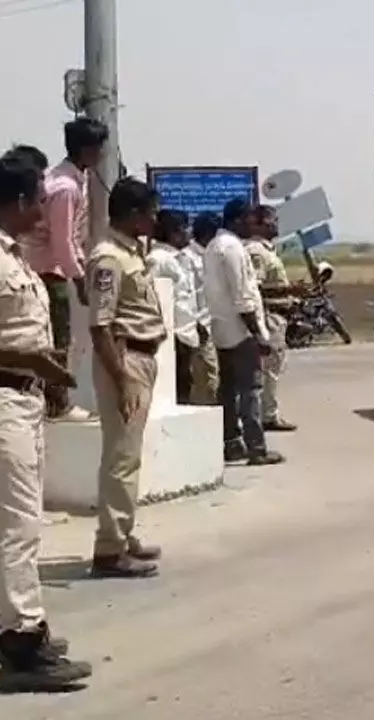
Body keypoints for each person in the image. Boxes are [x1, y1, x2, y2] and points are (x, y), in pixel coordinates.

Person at [0, 152, 92, 688]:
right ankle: (21, 645)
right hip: (6, 398)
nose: (42, 207)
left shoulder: (14, 256)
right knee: (16, 529)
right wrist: (27, 362)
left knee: (19, 522)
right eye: (36, 198)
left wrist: (43, 369)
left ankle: (16, 625)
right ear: (16, 202)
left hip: (24, 401)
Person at [85, 177, 166, 579]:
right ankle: (110, 549)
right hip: (125, 359)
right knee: (121, 456)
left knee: (128, 454)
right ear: (133, 214)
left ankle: (122, 531)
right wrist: (122, 380)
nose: (154, 219)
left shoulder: (130, 252)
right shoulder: (108, 259)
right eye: (149, 212)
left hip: (141, 356)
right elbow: (100, 326)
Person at [28, 119, 109, 422]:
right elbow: (62, 240)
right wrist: (77, 278)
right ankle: (57, 403)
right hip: (49, 270)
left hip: (50, 267)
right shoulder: (64, 188)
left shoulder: (73, 179)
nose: (103, 154)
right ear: (87, 149)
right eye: (99, 148)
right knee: (58, 338)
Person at [205, 199, 284, 466]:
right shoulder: (233, 249)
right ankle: (256, 448)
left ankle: (232, 443)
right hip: (241, 331)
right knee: (251, 390)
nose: (255, 224)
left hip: (220, 328)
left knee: (227, 391)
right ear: (239, 219)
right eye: (251, 219)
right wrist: (258, 334)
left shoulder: (213, 246)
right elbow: (243, 297)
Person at [244, 205, 301, 432]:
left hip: (278, 315)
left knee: (273, 369)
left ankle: (267, 412)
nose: (275, 225)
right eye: (270, 221)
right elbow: (255, 289)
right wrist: (289, 291)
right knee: (268, 370)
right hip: (269, 316)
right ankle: (267, 415)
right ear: (257, 224)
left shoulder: (268, 250)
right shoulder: (256, 251)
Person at [147, 210, 201, 404]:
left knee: (186, 383)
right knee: (178, 389)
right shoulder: (159, 259)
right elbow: (150, 292)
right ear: (174, 233)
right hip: (174, 335)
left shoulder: (179, 258)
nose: (189, 233)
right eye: (186, 228)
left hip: (186, 332)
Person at [185, 213, 220, 404]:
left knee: (212, 376)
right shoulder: (189, 258)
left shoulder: (210, 255)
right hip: (200, 328)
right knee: (206, 378)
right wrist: (197, 324)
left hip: (214, 324)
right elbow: (188, 295)